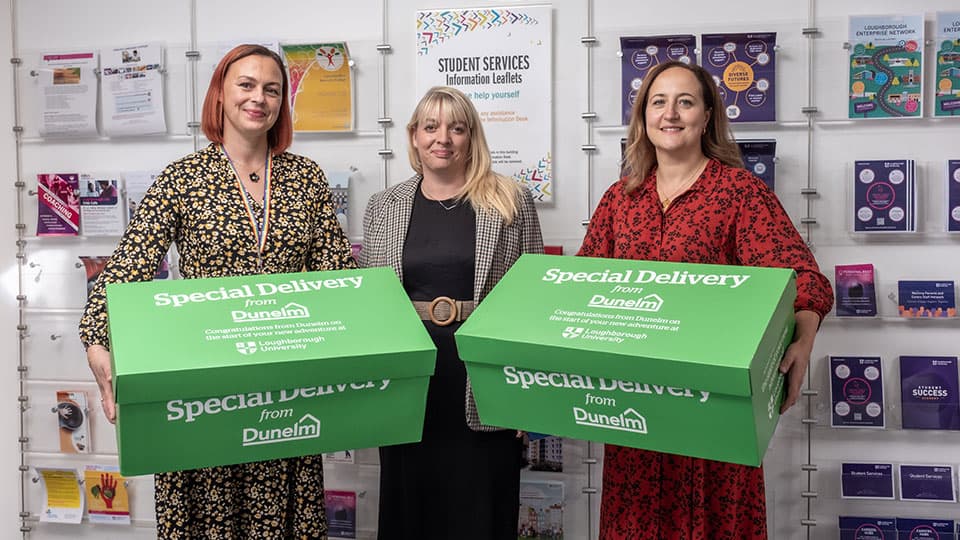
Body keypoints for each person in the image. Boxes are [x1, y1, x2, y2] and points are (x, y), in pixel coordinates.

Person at [78, 44, 353, 539]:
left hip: (285, 386)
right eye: (246, 85)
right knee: (208, 517)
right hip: (204, 389)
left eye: (272, 89)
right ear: (220, 94)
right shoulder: (182, 179)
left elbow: (335, 279)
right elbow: (125, 271)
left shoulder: (307, 179)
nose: (258, 98)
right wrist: (99, 344)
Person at [578, 60, 834, 539]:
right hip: (633, 410)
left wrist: (805, 334)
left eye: (685, 101)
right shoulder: (619, 199)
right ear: (643, 117)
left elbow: (802, 277)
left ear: (706, 115)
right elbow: (582, 285)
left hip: (712, 409)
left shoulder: (739, 193)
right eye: (659, 102)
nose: (670, 113)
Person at [359, 86, 543, 539]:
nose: (444, 137)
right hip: (411, 385)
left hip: (485, 385)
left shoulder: (510, 200)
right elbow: (372, 306)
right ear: (414, 136)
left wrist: (530, 399)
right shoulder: (383, 206)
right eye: (431, 126)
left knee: (481, 511)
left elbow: (534, 302)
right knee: (410, 514)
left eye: (457, 128)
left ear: (471, 137)